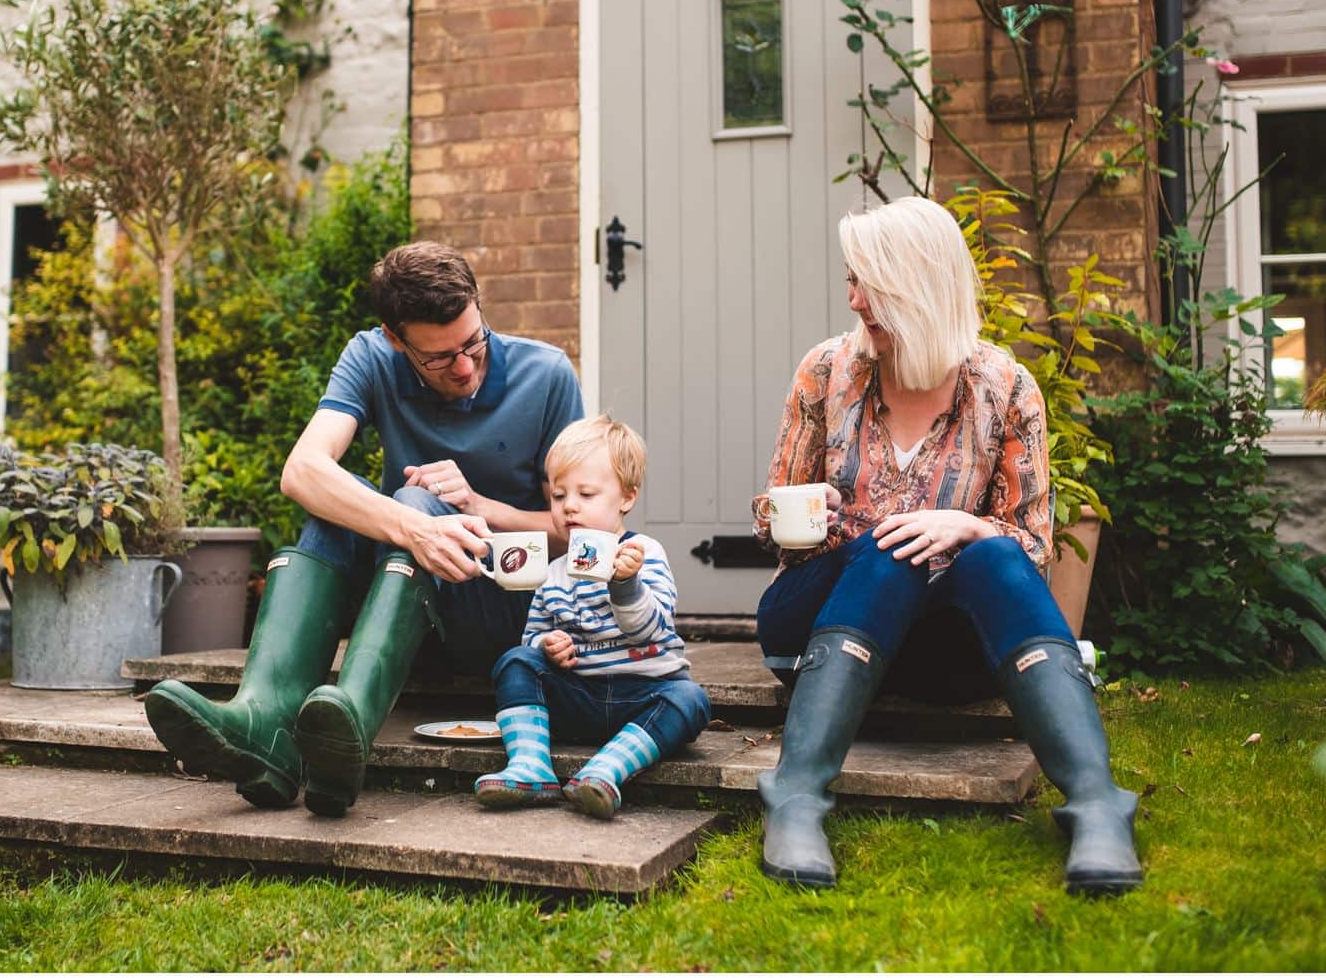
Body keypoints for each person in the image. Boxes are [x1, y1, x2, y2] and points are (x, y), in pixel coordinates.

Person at [750, 196, 1141, 896]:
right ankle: (797, 797)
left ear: (917, 285)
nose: (853, 297)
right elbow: (771, 511)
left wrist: (969, 527)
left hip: (941, 658)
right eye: (850, 278)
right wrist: (813, 517)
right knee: (889, 547)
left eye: (867, 280)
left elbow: (1035, 544)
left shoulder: (1006, 388)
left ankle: (1097, 805)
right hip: (814, 627)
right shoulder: (826, 372)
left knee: (993, 553)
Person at [144, 241, 585, 817]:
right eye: (438, 357)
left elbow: (582, 537)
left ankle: (346, 727)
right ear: (394, 339)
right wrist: (413, 524)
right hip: (408, 617)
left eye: (473, 341)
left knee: (414, 497)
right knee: (345, 503)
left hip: (507, 620)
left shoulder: (546, 374)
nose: (464, 366)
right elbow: (302, 471)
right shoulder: (371, 356)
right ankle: (263, 724)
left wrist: (476, 506)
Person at [474, 415, 711, 819]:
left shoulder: (642, 553)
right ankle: (531, 767)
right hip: (579, 697)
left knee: (690, 699)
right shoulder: (552, 570)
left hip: (642, 697)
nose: (569, 506)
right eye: (558, 495)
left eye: (586, 494)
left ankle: (604, 772)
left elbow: (651, 631)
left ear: (626, 498)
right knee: (515, 660)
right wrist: (548, 647)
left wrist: (625, 584)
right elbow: (533, 635)